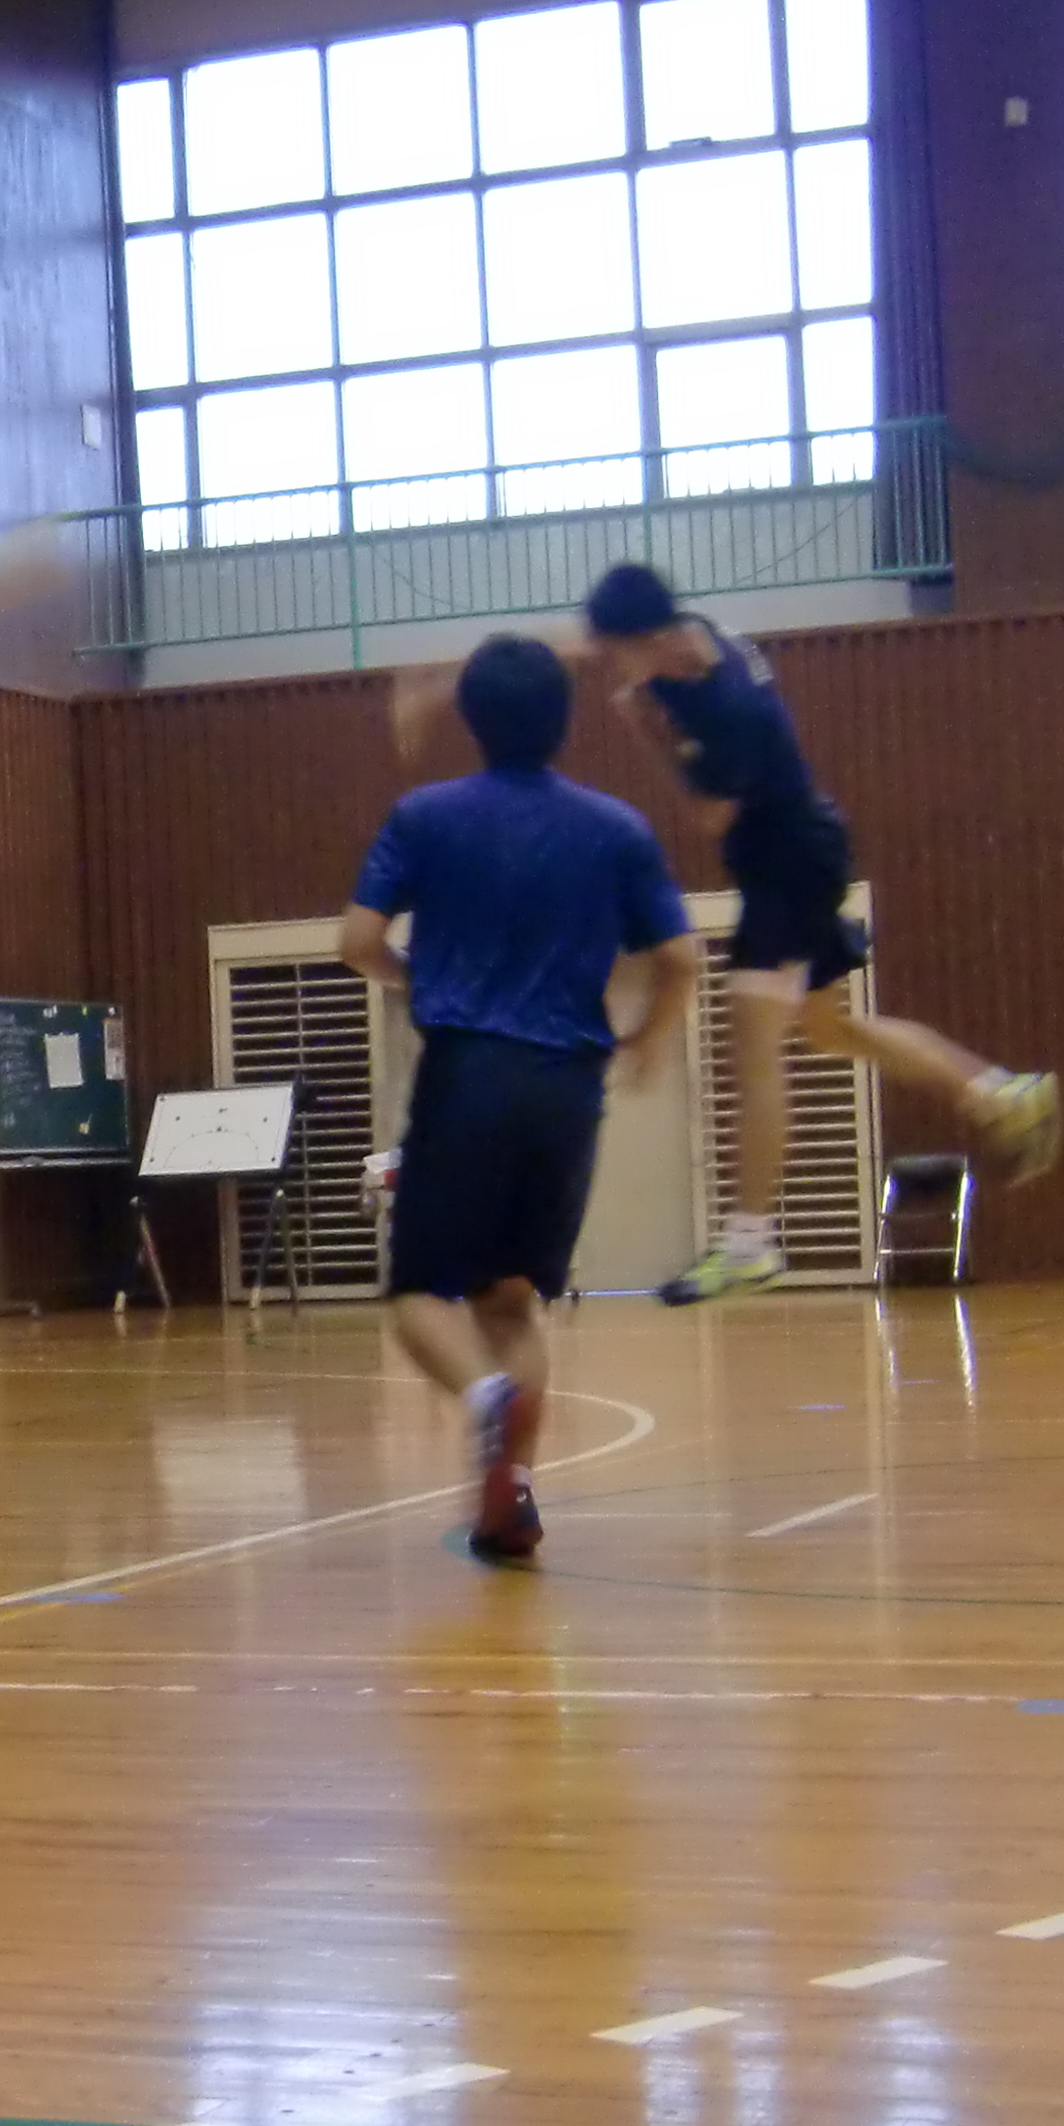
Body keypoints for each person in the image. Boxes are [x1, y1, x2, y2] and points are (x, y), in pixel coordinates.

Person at [566, 563, 1061, 1303]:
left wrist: (649, 736)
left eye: (618, 651)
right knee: (832, 1032)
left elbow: (707, 817)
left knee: (754, 1052)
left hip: (787, 868)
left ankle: (750, 1242)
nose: (611, 664)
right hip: (802, 854)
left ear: (656, 638)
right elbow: (580, 644)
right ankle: (1000, 1089)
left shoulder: (727, 711)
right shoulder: (688, 641)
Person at [342, 634, 700, 1566]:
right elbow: (683, 959)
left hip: (467, 1074)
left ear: (471, 718)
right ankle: (510, 1503)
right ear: (564, 720)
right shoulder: (616, 826)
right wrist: (648, 1042)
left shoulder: (424, 815)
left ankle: (484, 1403)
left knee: (421, 1292)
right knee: (512, 1302)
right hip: (566, 1089)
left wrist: (411, 978)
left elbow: (356, 940)